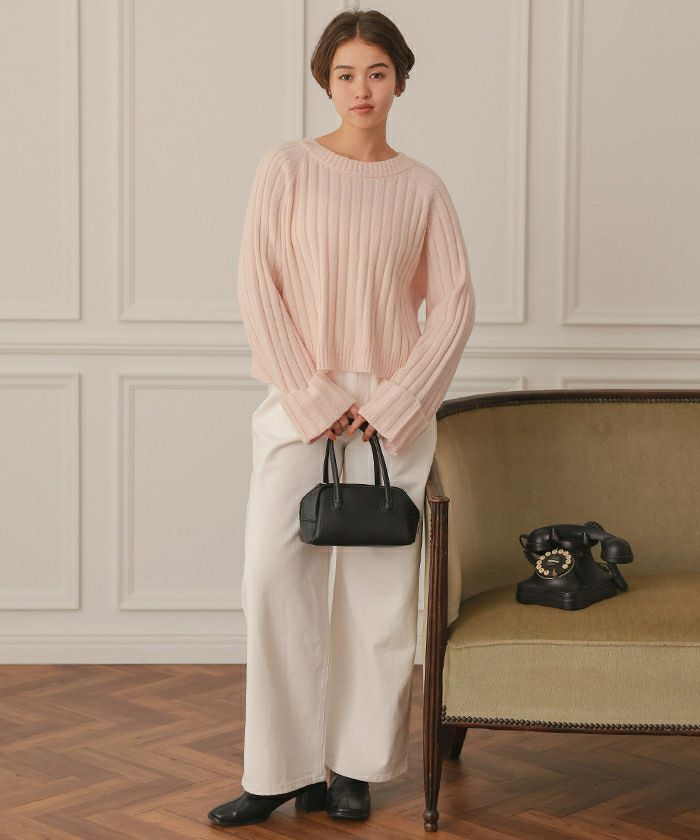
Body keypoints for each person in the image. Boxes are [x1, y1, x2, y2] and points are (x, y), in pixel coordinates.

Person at [207, 7, 476, 829]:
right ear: (325, 82)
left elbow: (455, 305)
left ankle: (354, 769)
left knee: (377, 596)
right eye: (346, 74)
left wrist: (392, 405)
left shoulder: (423, 187)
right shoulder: (286, 167)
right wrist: (314, 397)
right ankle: (278, 770)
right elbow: (257, 285)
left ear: (400, 81)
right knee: (271, 579)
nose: (362, 89)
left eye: (377, 73)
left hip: (391, 416)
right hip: (302, 406)